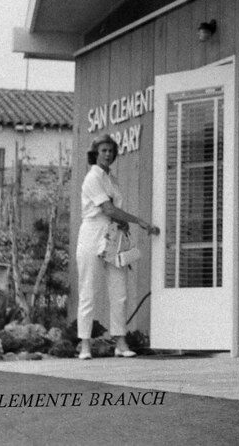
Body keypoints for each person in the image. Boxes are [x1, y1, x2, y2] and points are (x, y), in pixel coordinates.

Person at [75, 132, 159, 359]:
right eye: (104, 150)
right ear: (95, 153)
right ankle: (85, 344)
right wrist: (139, 221)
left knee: (119, 290)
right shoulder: (92, 178)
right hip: (92, 233)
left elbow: (114, 213)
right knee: (88, 290)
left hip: (113, 234)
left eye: (111, 151)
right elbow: (108, 209)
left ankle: (120, 342)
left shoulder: (112, 179)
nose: (108, 154)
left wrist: (123, 223)